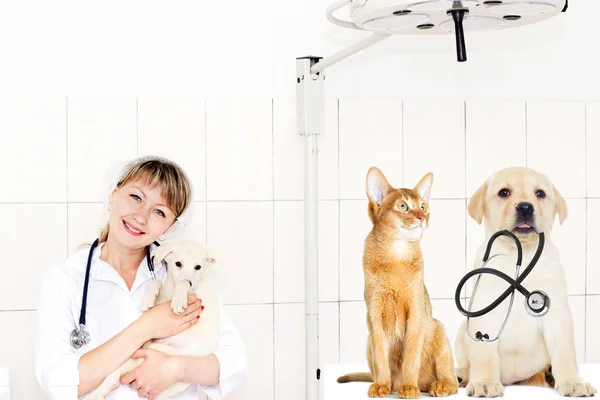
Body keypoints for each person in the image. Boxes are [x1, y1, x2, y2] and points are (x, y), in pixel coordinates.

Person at [34, 156, 247, 400]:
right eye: (136, 197)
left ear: (171, 227)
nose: (141, 216)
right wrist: (147, 327)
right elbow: (56, 381)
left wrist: (174, 368)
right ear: (113, 194)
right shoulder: (66, 278)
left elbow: (234, 362)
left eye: (159, 212)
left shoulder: (180, 273)